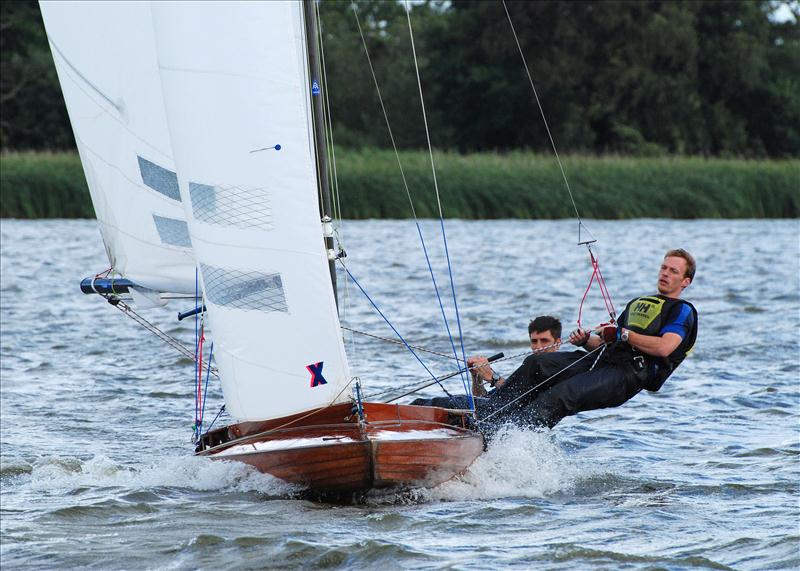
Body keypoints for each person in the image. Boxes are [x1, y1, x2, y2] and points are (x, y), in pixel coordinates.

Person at [498, 248, 698, 430]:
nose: (665, 273)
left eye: (673, 271)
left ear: (685, 282)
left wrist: (622, 334)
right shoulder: (637, 303)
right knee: (538, 363)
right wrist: (585, 341)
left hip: (626, 376)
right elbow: (606, 344)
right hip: (603, 361)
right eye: (664, 267)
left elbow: (664, 347)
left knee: (559, 395)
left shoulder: (682, 310)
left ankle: (510, 437)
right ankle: (491, 413)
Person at [471, 315, 563, 396]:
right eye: (534, 341)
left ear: (558, 343)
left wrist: (491, 376)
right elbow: (484, 401)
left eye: (544, 341)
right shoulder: (528, 368)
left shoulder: (561, 370)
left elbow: (524, 396)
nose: (538, 347)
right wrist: (478, 376)